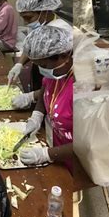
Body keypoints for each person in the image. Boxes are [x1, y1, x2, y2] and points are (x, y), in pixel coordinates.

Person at [18, 25, 73, 170]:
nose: (42, 70)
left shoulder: (81, 86)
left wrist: (46, 154)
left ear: (65, 55)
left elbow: (89, 142)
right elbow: (46, 89)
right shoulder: (56, 72)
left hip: (75, 157)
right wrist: (37, 116)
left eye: (43, 65)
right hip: (57, 147)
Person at [9, 0, 72, 109]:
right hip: (44, 77)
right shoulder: (39, 25)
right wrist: (19, 64)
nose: (26, 22)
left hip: (55, 80)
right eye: (23, 17)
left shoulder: (61, 33)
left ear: (45, 11)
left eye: (29, 18)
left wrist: (31, 96)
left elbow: (60, 82)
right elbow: (31, 48)